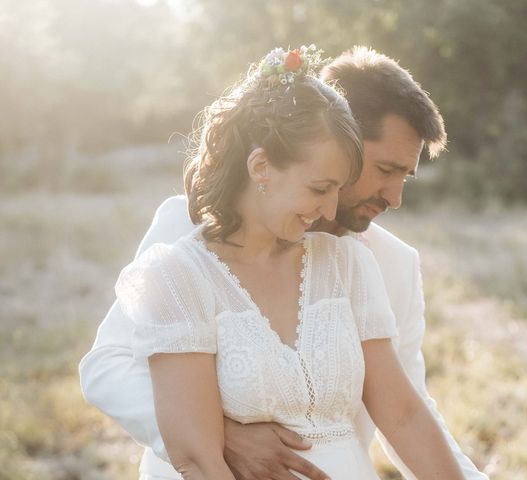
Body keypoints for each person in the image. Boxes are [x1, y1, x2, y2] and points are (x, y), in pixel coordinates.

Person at [80, 46, 488, 480]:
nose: (395, 197)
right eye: (385, 169)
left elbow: (408, 411)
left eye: (404, 176)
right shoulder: (184, 237)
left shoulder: (376, 263)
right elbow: (109, 364)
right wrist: (220, 435)